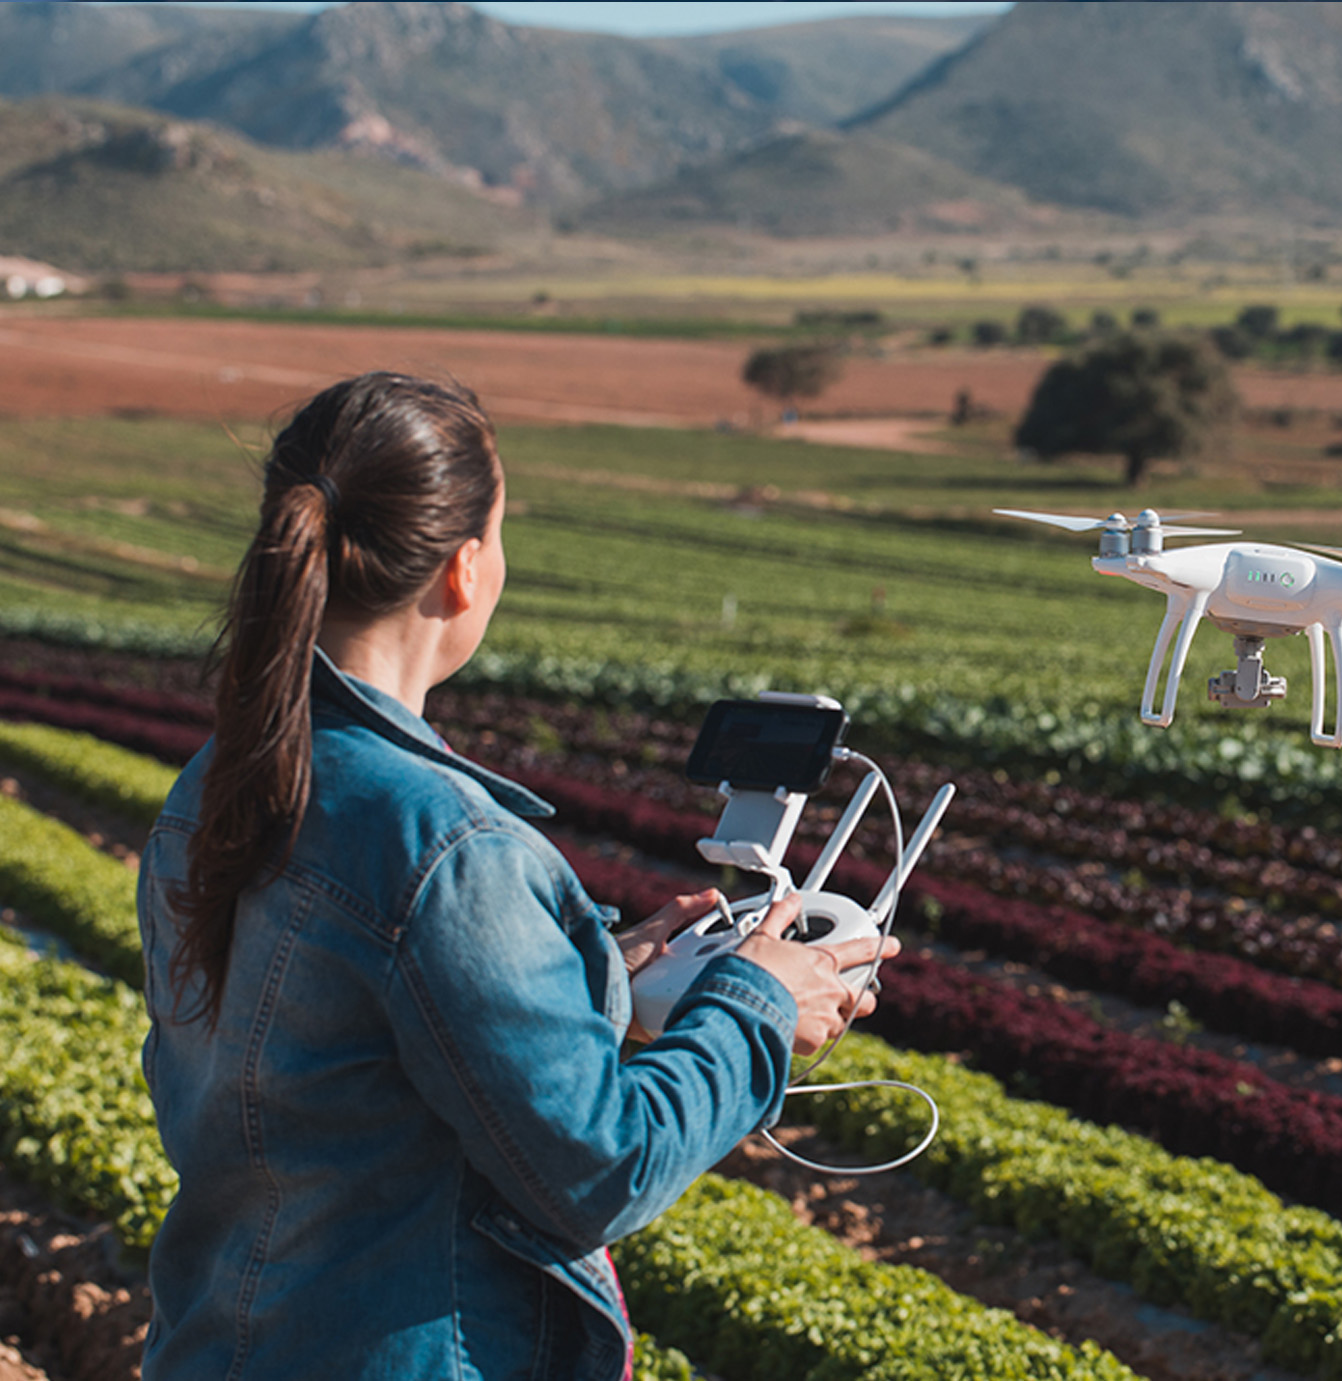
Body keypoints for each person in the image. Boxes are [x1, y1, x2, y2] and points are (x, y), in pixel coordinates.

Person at [134, 371, 893, 1380]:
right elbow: (599, 1167)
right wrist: (755, 1004)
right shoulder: (447, 848)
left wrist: (586, 981)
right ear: (462, 570)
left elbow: (332, 1059)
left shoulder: (219, 782)